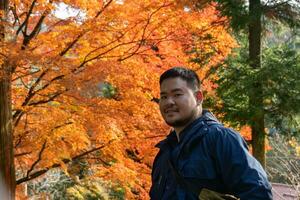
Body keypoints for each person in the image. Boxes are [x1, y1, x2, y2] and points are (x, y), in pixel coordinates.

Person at [149, 67, 273, 199]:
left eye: (177, 94)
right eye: (164, 96)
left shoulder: (221, 139)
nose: (169, 102)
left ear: (198, 98)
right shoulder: (164, 152)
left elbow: (259, 193)